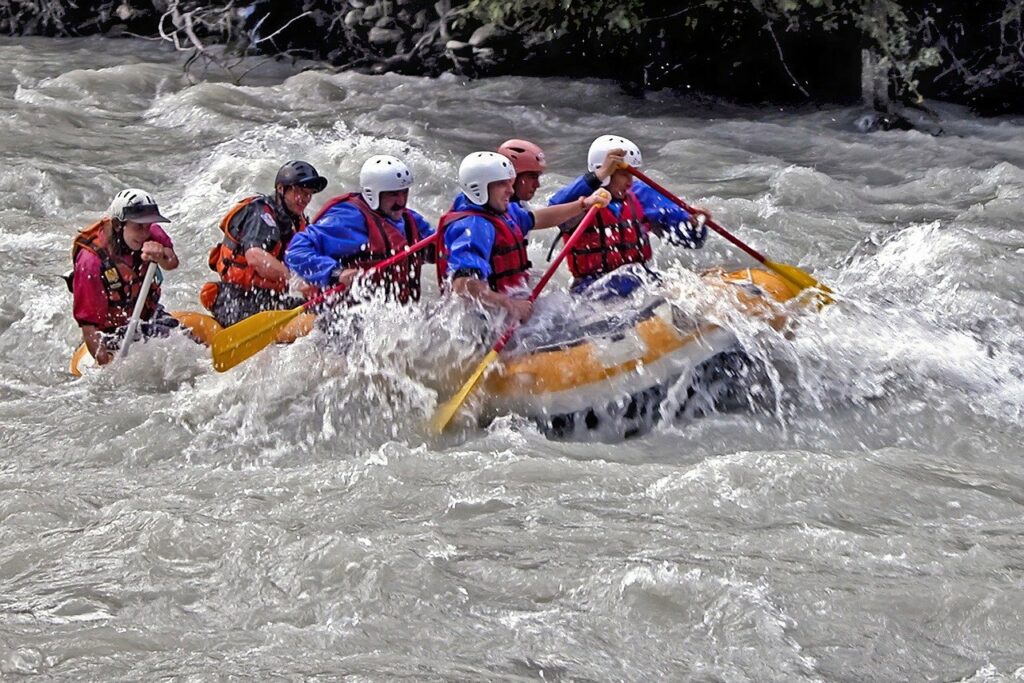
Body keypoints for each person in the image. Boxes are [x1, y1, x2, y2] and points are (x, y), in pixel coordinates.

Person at [437, 151, 610, 323]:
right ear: (479, 187)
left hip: (509, 309)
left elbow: (540, 218)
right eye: (502, 184)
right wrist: (510, 304)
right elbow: (462, 285)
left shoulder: (504, 212)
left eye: (510, 183)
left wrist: (583, 205)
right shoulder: (474, 227)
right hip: (486, 322)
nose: (510, 190)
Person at [548, 134, 711, 295]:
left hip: (641, 282)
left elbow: (692, 241)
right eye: (624, 174)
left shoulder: (641, 195)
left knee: (695, 287)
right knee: (633, 280)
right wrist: (599, 175)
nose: (630, 182)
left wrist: (694, 225)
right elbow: (553, 209)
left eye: (632, 174)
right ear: (604, 172)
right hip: (592, 290)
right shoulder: (580, 201)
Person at [284, 154, 434, 304]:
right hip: (341, 315)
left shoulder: (410, 220)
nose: (401, 201)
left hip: (393, 316)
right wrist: (337, 273)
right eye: (393, 194)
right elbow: (296, 251)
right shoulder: (348, 219)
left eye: (404, 192)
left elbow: (443, 248)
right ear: (373, 194)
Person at [201, 160, 328, 327]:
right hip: (235, 298)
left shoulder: (297, 223)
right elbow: (255, 256)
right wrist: (296, 282)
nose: (305, 199)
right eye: (300, 192)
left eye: (309, 194)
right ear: (281, 189)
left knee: (325, 313)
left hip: (269, 297)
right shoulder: (260, 213)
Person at [69, 188, 180, 365]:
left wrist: (162, 254)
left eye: (147, 226)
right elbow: (89, 326)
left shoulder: (153, 234)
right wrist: (106, 364)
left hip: (146, 318)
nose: (145, 234)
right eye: (138, 226)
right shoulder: (91, 262)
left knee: (184, 342)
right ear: (117, 224)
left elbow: (172, 263)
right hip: (110, 332)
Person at [497, 139, 546, 207]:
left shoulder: (520, 205)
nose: (537, 185)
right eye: (532, 177)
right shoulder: (499, 211)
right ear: (512, 178)